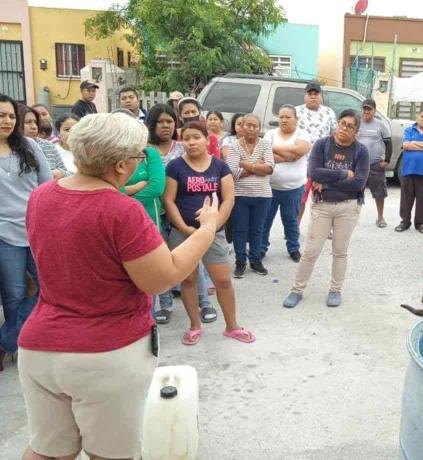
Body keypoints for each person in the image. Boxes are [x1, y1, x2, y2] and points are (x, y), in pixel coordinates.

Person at [17, 112, 220, 459]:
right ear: (123, 164)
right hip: (104, 354)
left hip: (39, 348)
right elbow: (161, 277)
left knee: (47, 452)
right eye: (139, 156)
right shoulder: (120, 210)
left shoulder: (42, 196)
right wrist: (206, 230)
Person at [163, 122, 254, 344]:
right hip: (183, 233)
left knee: (223, 281)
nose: (191, 142)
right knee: (188, 281)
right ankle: (194, 326)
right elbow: (168, 200)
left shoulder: (220, 167)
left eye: (196, 137)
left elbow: (229, 199)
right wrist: (185, 228)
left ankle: (232, 326)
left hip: (214, 233)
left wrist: (212, 227)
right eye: (186, 138)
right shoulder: (175, 167)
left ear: (207, 140)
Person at [283, 109, 370, 309]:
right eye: (342, 123)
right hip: (322, 206)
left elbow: (358, 183)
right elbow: (314, 172)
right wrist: (343, 174)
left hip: (348, 207)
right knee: (310, 251)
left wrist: (328, 182)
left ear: (356, 131)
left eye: (350, 126)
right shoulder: (322, 145)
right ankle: (297, 289)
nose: (344, 129)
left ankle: (335, 290)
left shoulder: (361, 151)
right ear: (336, 124)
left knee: (340, 251)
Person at [146, 104, 216, 325]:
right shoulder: (144, 150)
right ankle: (165, 305)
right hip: (156, 214)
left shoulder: (183, 146)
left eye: (169, 121)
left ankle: (204, 302)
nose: (165, 126)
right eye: (160, 122)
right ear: (152, 125)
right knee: (159, 261)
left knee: (193, 260)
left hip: (183, 214)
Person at [0, 94, 52, 372]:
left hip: (36, 229)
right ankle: (20, 348)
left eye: (10, 116)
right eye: (0, 116)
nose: (6, 121)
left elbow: (45, 186)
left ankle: (6, 342)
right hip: (3, 235)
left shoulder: (29, 146)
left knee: (49, 287)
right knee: (13, 293)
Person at [226, 114, 275, 278]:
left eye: (255, 126)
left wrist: (245, 164)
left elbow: (269, 168)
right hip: (240, 195)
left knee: (257, 230)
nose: (251, 129)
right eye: (248, 125)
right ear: (241, 127)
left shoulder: (266, 145)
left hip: (263, 196)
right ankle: (240, 262)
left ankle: (255, 261)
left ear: (260, 129)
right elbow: (232, 172)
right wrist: (257, 167)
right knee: (240, 230)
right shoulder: (234, 146)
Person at [261, 104, 311, 262]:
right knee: (265, 220)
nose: (283, 120)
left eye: (288, 117)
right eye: (281, 117)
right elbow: (265, 156)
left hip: (293, 188)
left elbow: (299, 151)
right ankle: (261, 248)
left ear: (296, 119)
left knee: (290, 220)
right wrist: (289, 154)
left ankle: (293, 248)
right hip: (270, 187)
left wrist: (274, 149)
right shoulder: (270, 134)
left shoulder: (302, 134)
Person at [295, 82, 337, 222]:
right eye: (310, 94)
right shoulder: (296, 111)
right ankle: (295, 228)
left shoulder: (329, 112)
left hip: (322, 163)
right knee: (301, 198)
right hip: (301, 163)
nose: (313, 97)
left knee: (323, 198)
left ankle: (324, 228)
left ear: (321, 96)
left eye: (316, 94)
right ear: (305, 96)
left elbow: (334, 135)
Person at [395, 107, 423, 233]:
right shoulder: (409, 130)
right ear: (417, 117)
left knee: (422, 199)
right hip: (408, 170)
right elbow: (406, 145)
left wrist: (414, 143)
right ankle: (405, 222)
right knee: (405, 198)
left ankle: (420, 223)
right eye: (422, 117)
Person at [357, 98, 392, 228]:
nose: (366, 111)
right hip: (359, 165)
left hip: (376, 164)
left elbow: (388, 143)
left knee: (379, 193)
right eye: (364, 109)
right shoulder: (357, 123)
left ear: (374, 111)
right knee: (355, 192)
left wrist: (387, 160)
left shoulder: (381, 124)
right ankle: (353, 217)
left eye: (369, 109)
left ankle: (380, 217)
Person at [18, 105, 68, 180]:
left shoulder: (48, 145)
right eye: (28, 122)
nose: (34, 127)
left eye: (35, 122)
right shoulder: (9, 148)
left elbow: (67, 173)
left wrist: (60, 173)